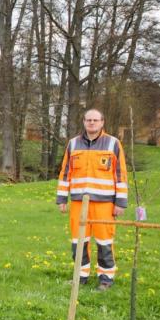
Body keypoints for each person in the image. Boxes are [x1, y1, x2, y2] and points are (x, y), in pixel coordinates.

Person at [56, 109, 128, 291]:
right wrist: (62, 198)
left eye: (96, 120)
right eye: (89, 120)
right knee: (79, 241)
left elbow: (121, 175)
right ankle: (80, 277)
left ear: (102, 122)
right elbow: (65, 173)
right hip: (79, 202)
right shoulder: (73, 144)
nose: (92, 123)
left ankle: (106, 279)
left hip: (104, 204)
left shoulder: (113, 143)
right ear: (84, 122)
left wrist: (120, 202)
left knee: (104, 242)